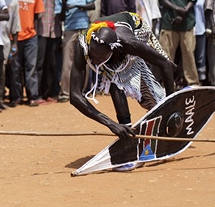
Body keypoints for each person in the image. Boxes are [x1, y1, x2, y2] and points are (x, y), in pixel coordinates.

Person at [69, 12, 176, 171]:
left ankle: (160, 103)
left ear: (114, 50)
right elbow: (74, 96)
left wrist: (171, 104)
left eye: (100, 57)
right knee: (112, 77)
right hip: (114, 45)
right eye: (93, 55)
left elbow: (164, 64)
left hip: (136, 29)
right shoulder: (83, 45)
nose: (95, 61)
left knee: (153, 102)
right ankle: (128, 137)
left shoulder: (130, 43)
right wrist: (111, 124)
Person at [158, 0, 199, 87]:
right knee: (166, 56)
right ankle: (167, 84)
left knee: (188, 55)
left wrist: (183, 13)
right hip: (169, 22)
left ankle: (192, 83)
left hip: (186, 23)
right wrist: (177, 9)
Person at [55, 0, 96, 103]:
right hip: (70, 30)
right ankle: (65, 93)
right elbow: (60, 18)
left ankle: (81, 92)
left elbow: (92, 5)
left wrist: (77, 6)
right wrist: (64, 6)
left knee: (85, 62)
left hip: (84, 29)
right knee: (67, 63)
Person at [10, 0, 44, 106]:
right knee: (16, 68)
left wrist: (33, 31)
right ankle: (17, 96)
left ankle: (33, 96)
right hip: (15, 37)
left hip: (30, 37)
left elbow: (37, 16)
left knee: (31, 67)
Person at [36, 0, 61, 102]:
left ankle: (48, 93)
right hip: (41, 32)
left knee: (51, 65)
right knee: (39, 64)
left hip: (54, 33)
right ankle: (38, 94)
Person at [0, 0, 20, 109]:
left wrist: (15, 44)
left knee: (4, 73)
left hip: (5, 40)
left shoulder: (13, 1)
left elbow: (15, 24)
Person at [192, 0, 206, 83]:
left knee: (201, 57)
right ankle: (191, 79)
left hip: (201, 29)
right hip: (190, 29)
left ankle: (201, 79)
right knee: (190, 56)